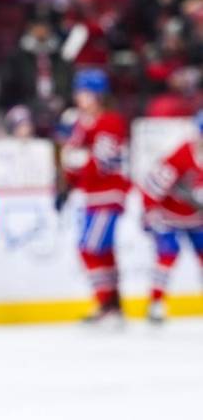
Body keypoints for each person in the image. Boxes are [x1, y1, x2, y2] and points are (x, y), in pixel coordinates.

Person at [60, 68, 131, 325]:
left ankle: (106, 304)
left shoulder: (110, 121)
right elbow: (71, 158)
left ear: (98, 95)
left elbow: (104, 162)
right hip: (92, 196)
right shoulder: (81, 122)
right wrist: (67, 184)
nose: (80, 97)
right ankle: (114, 306)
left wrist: (79, 160)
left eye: (85, 92)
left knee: (89, 248)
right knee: (103, 251)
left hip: (108, 195)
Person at [140, 111, 203, 323]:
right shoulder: (180, 156)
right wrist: (150, 213)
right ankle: (156, 303)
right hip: (169, 216)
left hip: (197, 218)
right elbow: (151, 187)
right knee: (167, 255)